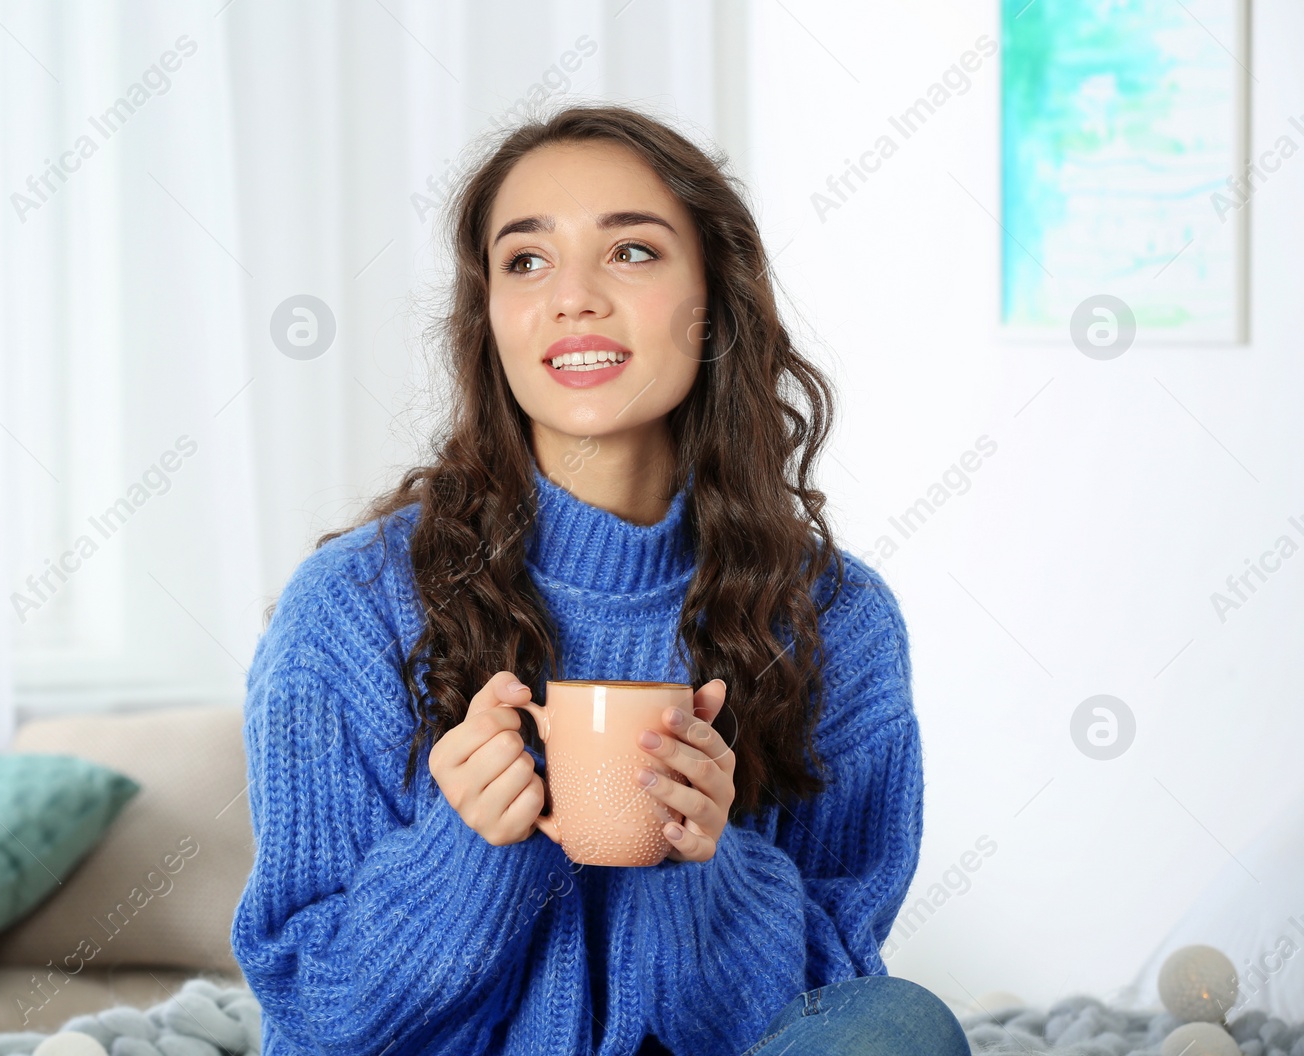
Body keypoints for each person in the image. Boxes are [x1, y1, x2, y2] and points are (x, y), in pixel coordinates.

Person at [229, 103, 972, 1056]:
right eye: (526, 261)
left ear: (714, 300)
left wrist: (703, 869)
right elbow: (314, 1011)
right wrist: (467, 855)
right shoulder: (351, 606)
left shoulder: (836, 616)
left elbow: (826, 1001)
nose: (572, 297)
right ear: (489, 316)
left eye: (631, 252)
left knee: (901, 1026)